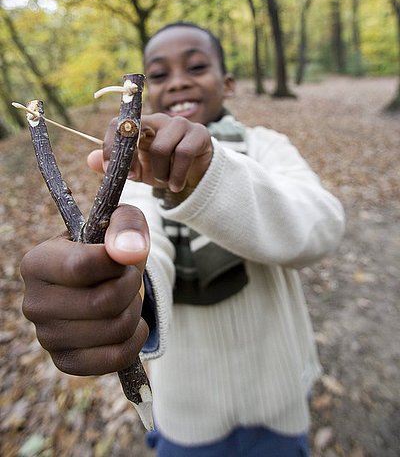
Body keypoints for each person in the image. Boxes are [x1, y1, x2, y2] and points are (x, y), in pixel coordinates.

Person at [21, 22, 345, 456]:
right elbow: (146, 244)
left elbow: (319, 227)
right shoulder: (136, 179)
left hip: (278, 398)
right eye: (158, 74)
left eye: (196, 66)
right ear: (148, 94)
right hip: (186, 417)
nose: (177, 81)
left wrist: (207, 178)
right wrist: (120, 283)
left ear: (227, 83)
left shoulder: (266, 147)